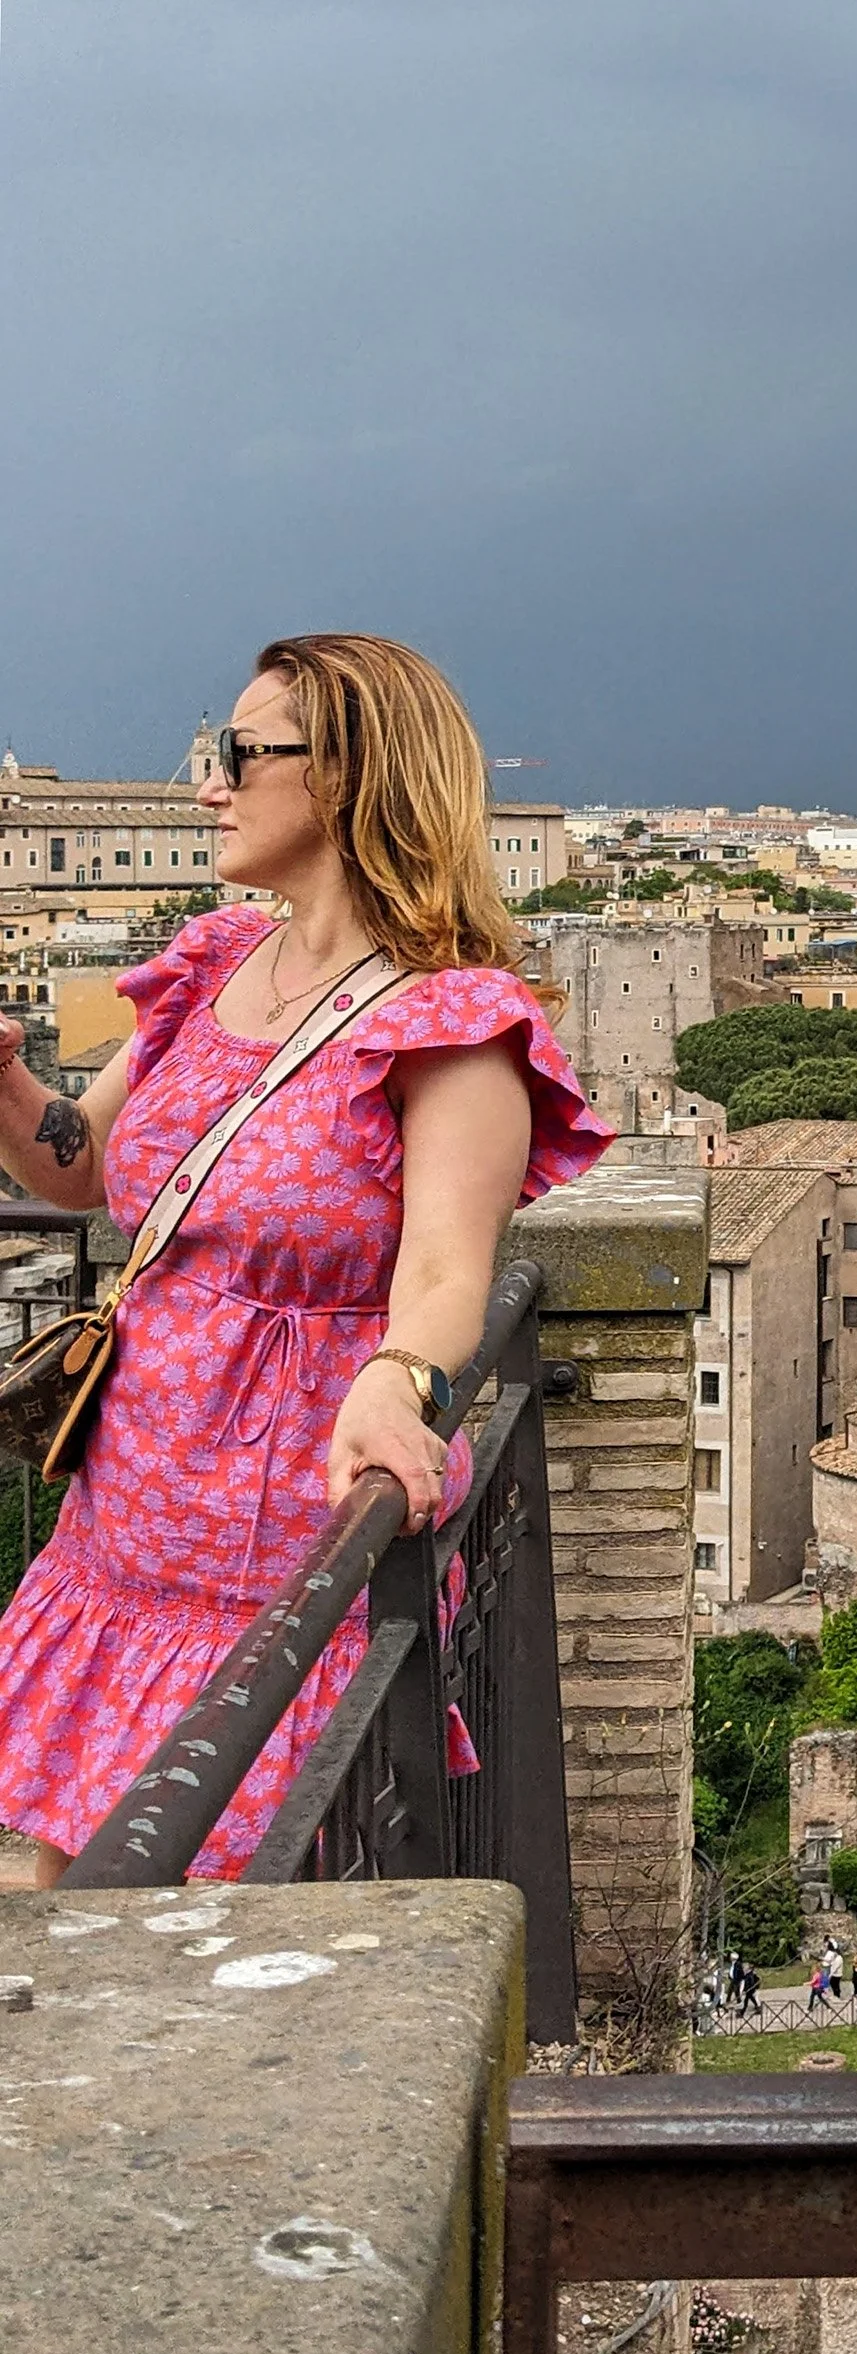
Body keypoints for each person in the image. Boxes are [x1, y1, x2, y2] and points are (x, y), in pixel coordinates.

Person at [0, 634, 613, 1884]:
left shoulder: (453, 1022)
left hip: (282, 1577)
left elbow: (449, 1268)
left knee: (182, 1950)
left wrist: (401, 1379)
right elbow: (80, 1171)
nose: (207, 785)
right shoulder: (217, 960)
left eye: (238, 754)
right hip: (113, 1551)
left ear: (344, 776)